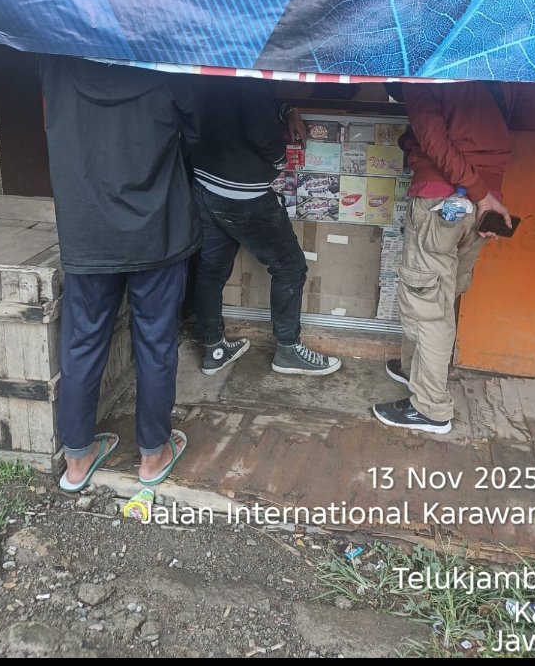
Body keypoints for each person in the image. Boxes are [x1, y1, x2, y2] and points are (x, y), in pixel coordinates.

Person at [39, 56, 202, 491]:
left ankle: (77, 461)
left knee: (82, 341)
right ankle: (152, 456)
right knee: (156, 341)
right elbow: (195, 135)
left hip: (87, 228)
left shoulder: (55, 60)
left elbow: (52, 121)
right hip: (158, 228)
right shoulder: (167, 60)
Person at [372, 81, 535, 435]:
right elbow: (526, 119)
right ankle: (413, 370)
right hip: (485, 204)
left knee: (427, 303)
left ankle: (430, 409)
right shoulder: (503, 69)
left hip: (443, 199)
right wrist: (487, 196)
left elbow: (433, 139)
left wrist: (478, 193)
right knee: (441, 294)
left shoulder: (425, 72)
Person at [190, 76, 341, 377]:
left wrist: (288, 110)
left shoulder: (221, 64)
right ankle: (288, 349)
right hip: (242, 194)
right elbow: (258, 125)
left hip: (204, 183)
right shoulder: (253, 73)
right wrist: (279, 159)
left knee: (211, 269)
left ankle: (214, 348)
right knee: (290, 267)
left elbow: (246, 103)